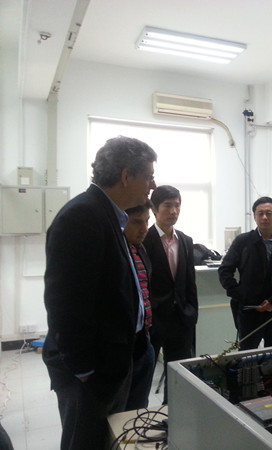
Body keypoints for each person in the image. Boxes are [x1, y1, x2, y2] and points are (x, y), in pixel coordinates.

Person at [43, 136, 157, 449]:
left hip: (114, 359)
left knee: (109, 440)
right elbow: (66, 302)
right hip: (90, 371)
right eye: (148, 176)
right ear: (126, 176)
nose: (153, 184)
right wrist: (84, 370)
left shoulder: (109, 215)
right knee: (86, 442)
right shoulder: (82, 216)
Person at [143, 185, 198, 404]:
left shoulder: (185, 241)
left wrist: (192, 313)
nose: (174, 211)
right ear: (154, 209)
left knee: (178, 376)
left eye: (177, 205)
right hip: (153, 319)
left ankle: (173, 414)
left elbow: (189, 282)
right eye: (168, 206)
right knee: (144, 374)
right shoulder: (143, 240)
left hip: (181, 318)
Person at [218, 196, 272, 350]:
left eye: (269, 213)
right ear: (254, 216)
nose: (264, 217)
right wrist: (241, 294)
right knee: (247, 353)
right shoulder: (243, 241)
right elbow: (225, 270)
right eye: (260, 213)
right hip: (249, 309)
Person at [123, 200, 155, 411]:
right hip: (120, 346)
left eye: (146, 221)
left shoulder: (139, 248)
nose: (144, 229)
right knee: (118, 413)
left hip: (143, 340)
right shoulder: (115, 251)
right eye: (136, 222)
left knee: (138, 410)